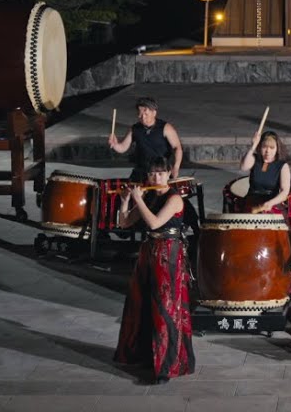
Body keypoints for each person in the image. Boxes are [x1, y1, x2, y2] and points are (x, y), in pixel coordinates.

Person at [113, 158, 196, 382]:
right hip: (149, 253)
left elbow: (155, 223)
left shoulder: (175, 198)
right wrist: (125, 201)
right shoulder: (149, 196)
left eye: (160, 173)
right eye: (152, 174)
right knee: (141, 305)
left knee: (165, 308)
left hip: (169, 255)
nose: (156, 178)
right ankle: (147, 356)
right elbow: (124, 223)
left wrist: (139, 200)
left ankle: (166, 367)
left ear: (169, 173)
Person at [109, 97, 198, 234]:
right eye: (139, 113)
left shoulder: (165, 127)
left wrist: (175, 167)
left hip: (161, 170)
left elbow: (177, 148)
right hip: (143, 172)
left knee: (173, 200)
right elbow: (122, 147)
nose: (142, 116)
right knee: (135, 199)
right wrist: (115, 145)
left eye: (145, 112)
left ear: (154, 112)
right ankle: (131, 230)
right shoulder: (135, 129)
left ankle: (192, 225)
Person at [233, 130, 291, 298]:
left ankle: (278, 273)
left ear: (276, 149)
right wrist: (252, 145)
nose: (267, 151)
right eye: (264, 147)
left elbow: (285, 191)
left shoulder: (282, 165)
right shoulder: (255, 160)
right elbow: (243, 166)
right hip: (252, 202)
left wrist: (270, 203)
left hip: (272, 203)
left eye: (271, 148)